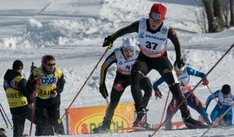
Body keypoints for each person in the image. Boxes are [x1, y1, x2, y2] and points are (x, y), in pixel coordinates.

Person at [101, 3, 206, 128]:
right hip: (144, 58)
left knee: (175, 86)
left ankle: (187, 118)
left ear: (163, 20)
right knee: (135, 76)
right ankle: (141, 114)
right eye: (152, 19)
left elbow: (177, 43)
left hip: (160, 59)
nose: (154, 23)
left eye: (158, 20)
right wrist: (111, 38)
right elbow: (126, 30)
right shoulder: (141, 24)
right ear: (149, 16)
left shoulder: (167, 29)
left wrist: (179, 59)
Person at [93, 36, 152, 133]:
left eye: (131, 50)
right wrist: (102, 85)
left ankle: (140, 119)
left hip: (136, 76)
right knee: (113, 102)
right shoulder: (117, 54)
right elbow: (104, 67)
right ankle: (105, 125)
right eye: (126, 50)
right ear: (122, 49)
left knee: (148, 87)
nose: (129, 53)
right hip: (122, 77)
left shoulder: (139, 51)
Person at [153, 65, 211, 130]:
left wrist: (205, 79)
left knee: (201, 110)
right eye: (176, 72)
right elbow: (155, 84)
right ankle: (168, 130)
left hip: (188, 95)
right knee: (168, 115)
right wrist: (156, 89)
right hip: (177, 96)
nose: (178, 74)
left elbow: (201, 74)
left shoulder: (187, 70)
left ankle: (210, 125)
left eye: (180, 72)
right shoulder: (170, 73)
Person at [27, 55, 65, 136]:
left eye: (53, 64)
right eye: (49, 64)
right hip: (41, 101)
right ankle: (48, 135)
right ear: (44, 64)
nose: (52, 67)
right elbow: (28, 86)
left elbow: (61, 85)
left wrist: (57, 92)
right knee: (44, 121)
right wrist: (33, 92)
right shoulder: (37, 73)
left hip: (54, 100)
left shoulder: (58, 72)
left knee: (55, 119)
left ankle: (62, 134)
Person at [3, 60, 34, 137]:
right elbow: (26, 91)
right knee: (41, 121)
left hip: (13, 107)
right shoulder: (20, 79)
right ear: (20, 69)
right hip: (24, 106)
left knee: (18, 130)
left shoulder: (6, 80)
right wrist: (31, 101)